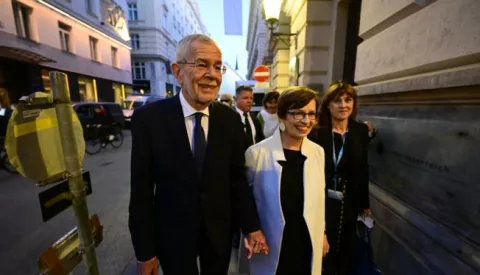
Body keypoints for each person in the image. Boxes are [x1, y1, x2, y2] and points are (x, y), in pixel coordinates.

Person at [129, 34, 268, 275]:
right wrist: (145, 252)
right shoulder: (149, 120)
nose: (212, 75)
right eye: (202, 64)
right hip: (173, 236)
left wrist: (252, 227)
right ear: (178, 71)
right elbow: (141, 192)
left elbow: (237, 180)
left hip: (219, 233)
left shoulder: (230, 120)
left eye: (218, 67)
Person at [245, 86, 329, 275]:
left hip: (306, 241)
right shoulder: (257, 153)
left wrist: (322, 233)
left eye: (311, 114)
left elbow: (319, 200)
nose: (306, 121)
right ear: (282, 116)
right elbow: (245, 201)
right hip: (271, 242)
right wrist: (250, 231)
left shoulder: (318, 152)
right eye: (298, 114)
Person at [309, 81, 371, 275]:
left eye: (348, 100)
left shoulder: (360, 131)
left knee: (346, 251)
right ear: (328, 105)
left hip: (349, 200)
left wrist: (365, 203)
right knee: (323, 252)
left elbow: (363, 168)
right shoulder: (318, 133)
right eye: (337, 101)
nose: (343, 105)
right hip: (322, 199)